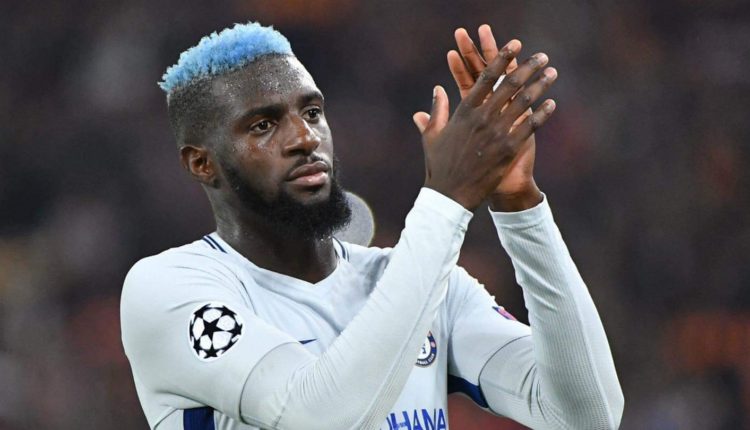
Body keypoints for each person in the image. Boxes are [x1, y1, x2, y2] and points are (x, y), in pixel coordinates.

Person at [121, 21, 624, 430]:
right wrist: (445, 200)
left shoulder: (424, 285)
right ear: (201, 163)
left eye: (312, 112)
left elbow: (588, 416)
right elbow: (321, 418)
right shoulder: (169, 288)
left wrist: (520, 206)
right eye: (263, 125)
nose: (304, 138)